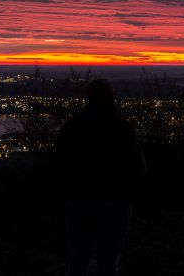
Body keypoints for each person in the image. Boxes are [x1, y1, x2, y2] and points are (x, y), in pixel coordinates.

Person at [54, 79, 145, 276]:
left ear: (87, 98)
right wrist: (132, 198)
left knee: (77, 260)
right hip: (115, 202)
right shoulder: (122, 128)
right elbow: (137, 166)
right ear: (111, 98)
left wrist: (65, 194)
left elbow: (58, 164)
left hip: (79, 201)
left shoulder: (71, 128)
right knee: (108, 261)